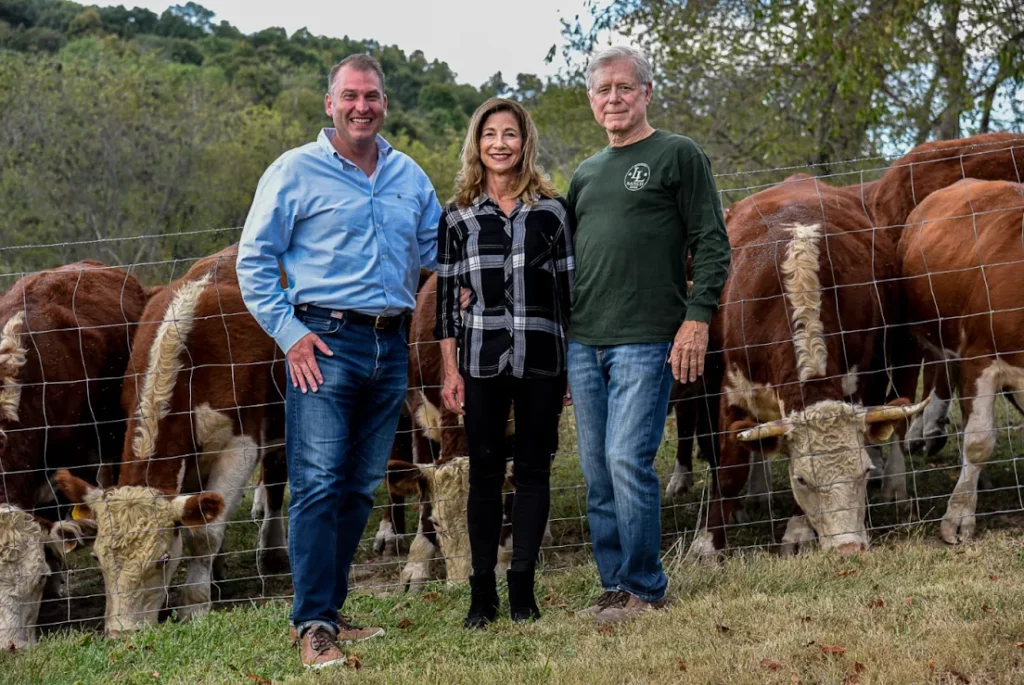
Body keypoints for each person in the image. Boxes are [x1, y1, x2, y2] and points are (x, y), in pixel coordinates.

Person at [237, 54, 441, 669]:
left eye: (371, 96)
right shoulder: (294, 170)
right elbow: (254, 260)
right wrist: (290, 334)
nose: (361, 106)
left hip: (391, 343)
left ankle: (329, 607)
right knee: (318, 483)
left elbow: (440, 252)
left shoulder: (408, 175)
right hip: (323, 342)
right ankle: (312, 625)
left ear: (385, 105)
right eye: (350, 96)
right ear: (330, 104)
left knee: (358, 486)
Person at [566, 46, 731, 623]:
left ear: (646, 93)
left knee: (626, 458)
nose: (614, 98)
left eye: (624, 87)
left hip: (647, 337)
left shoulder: (677, 154)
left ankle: (646, 588)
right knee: (596, 471)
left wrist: (697, 317)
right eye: (603, 89)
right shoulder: (585, 174)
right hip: (584, 341)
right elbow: (569, 261)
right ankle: (614, 585)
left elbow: (712, 241)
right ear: (591, 100)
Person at [436, 98, 574, 629]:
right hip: (480, 359)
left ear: (525, 142)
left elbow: (569, 293)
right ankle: (482, 593)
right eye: (490, 134)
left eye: (510, 134)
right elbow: (446, 303)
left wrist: (569, 366)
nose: (500, 143)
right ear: (477, 144)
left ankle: (522, 589)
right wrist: (450, 370)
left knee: (535, 471)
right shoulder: (458, 216)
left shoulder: (553, 212)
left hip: (542, 358)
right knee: (485, 474)